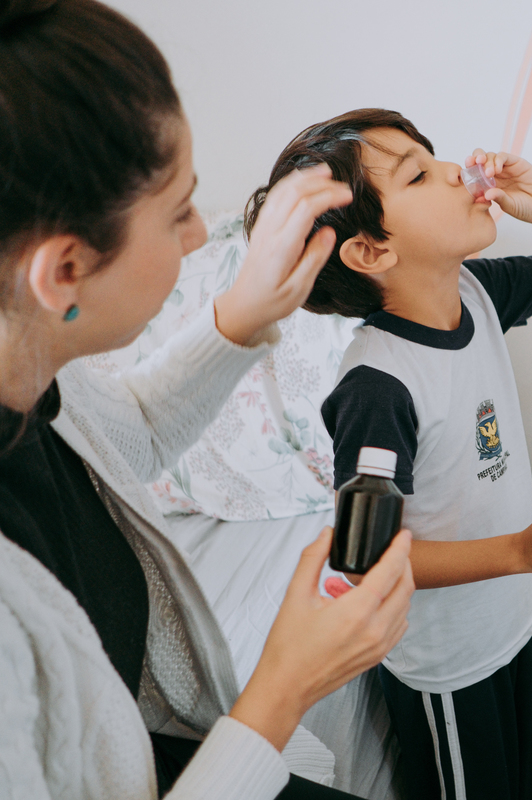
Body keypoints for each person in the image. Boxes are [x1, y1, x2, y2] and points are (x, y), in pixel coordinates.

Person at [0, 2, 415, 798]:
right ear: (63, 273)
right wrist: (286, 684)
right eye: (178, 211)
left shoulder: (35, 366)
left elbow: (129, 436)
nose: (200, 237)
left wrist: (245, 314)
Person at [245, 107, 532, 798]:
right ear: (370, 252)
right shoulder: (377, 387)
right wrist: (520, 550)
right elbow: (367, 560)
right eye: (418, 175)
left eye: (433, 156)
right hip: (448, 665)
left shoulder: (477, 293)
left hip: (510, 620)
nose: (455, 171)